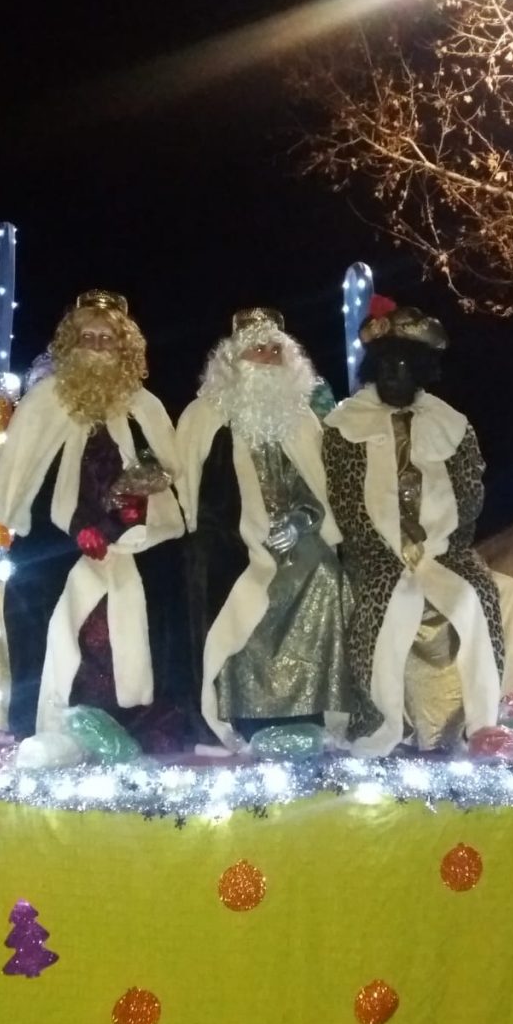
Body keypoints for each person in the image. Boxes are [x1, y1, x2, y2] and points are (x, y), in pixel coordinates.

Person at [323, 294, 513, 755]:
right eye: (387, 364)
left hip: (443, 551)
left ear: (421, 369)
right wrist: (390, 548)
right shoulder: (343, 426)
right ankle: (385, 722)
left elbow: (468, 493)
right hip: (377, 553)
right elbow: (344, 500)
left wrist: (441, 545)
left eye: (405, 364)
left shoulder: (451, 423)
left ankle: (482, 723)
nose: (395, 373)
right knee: (381, 608)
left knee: (478, 593)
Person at [0, 289, 187, 748]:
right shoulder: (43, 403)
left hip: (136, 539)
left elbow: (168, 465)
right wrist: (75, 528)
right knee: (41, 607)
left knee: (149, 607)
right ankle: (41, 731)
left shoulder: (145, 406)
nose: (98, 347)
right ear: (70, 345)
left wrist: (145, 486)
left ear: (125, 349)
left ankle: (136, 728)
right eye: (88, 338)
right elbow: (17, 477)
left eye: (107, 339)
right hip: (55, 540)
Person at [176, 306, 352, 750]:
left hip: (293, 542)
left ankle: (310, 710)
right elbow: (187, 492)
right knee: (232, 584)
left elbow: (315, 491)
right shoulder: (204, 415)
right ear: (234, 360)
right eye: (257, 350)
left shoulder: (300, 418)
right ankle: (244, 715)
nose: (267, 359)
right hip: (228, 542)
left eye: (275, 351)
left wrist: (300, 520)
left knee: (326, 575)